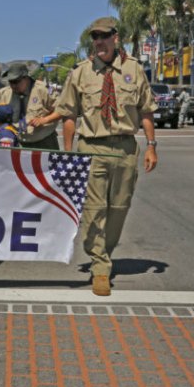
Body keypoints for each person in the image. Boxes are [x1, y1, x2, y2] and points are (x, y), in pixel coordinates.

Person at [33, 16, 158, 296]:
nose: (99, 41)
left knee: (119, 208)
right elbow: (68, 115)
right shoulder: (80, 72)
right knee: (92, 210)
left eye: (104, 36)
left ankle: (106, 252)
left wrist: (151, 145)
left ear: (116, 37)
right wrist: (69, 155)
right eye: (95, 37)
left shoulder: (134, 69)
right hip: (91, 148)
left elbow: (146, 110)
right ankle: (100, 265)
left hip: (126, 148)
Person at [5, 64, 57, 150]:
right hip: (19, 143)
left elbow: (61, 110)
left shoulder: (43, 89)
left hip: (44, 142)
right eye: (11, 82)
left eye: (16, 81)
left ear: (26, 78)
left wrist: (44, 120)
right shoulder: (6, 93)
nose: (13, 86)